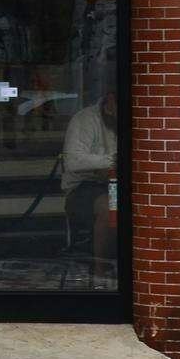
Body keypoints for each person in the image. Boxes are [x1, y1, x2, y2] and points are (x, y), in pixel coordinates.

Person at [62, 92, 118, 264]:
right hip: (83, 187)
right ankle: (100, 267)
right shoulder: (86, 119)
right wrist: (113, 161)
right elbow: (73, 161)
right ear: (110, 99)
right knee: (111, 207)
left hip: (114, 185)